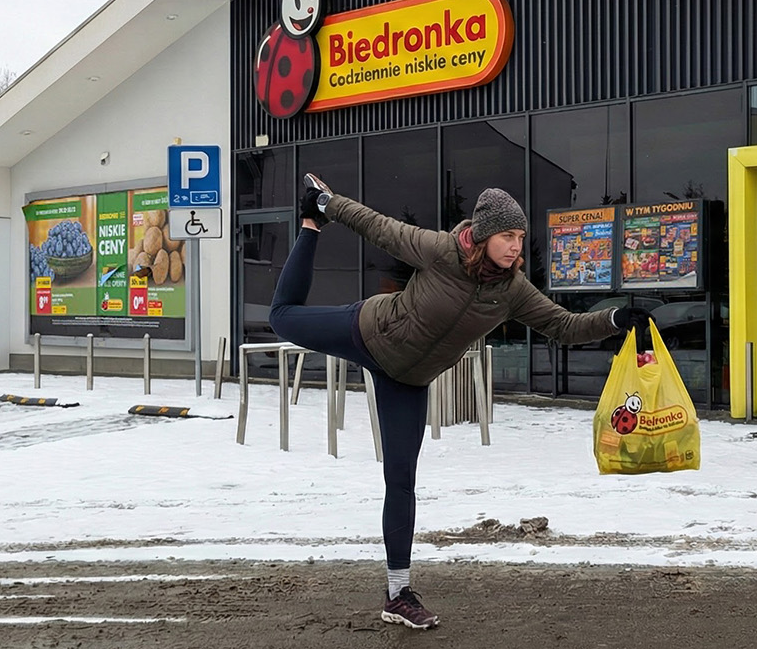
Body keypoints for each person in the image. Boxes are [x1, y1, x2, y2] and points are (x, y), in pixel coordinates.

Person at [269, 174, 646, 630]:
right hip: (368, 332)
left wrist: (613, 318)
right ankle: (308, 227)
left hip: (407, 380)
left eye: (521, 238)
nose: (515, 247)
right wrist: (326, 205)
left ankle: (397, 593)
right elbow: (377, 226)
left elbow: (563, 325)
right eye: (507, 236)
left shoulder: (512, 290)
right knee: (283, 318)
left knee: (401, 479)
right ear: (484, 235)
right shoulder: (440, 251)